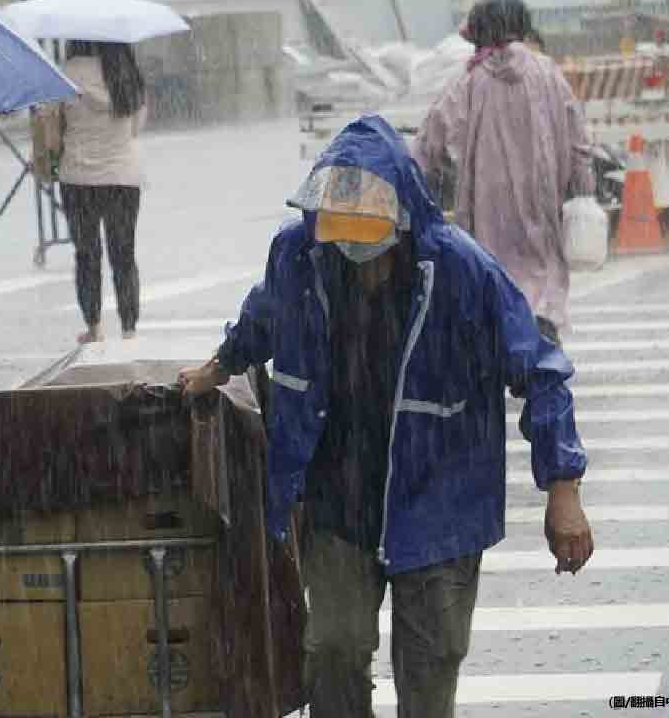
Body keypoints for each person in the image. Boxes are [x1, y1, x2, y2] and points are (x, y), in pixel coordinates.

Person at [178, 115, 593, 718]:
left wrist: (564, 490)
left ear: (402, 221)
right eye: (339, 234)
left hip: (440, 499)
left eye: (367, 236)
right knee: (333, 652)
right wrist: (215, 369)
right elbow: (262, 319)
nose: (354, 252)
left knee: (428, 672)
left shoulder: (459, 271)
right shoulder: (301, 255)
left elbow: (541, 370)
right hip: (338, 499)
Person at [414, 0, 593, 344]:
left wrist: (409, 181)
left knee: (493, 280)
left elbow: (429, 142)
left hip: (487, 210)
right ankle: (542, 345)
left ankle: (501, 347)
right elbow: (578, 140)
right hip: (542, 208)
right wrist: (584, 188)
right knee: (541, 283)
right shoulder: (549, 73)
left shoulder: (468, 84)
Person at [57, 40, 148, 343]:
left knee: (87, 254)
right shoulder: (126, 71)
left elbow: (49, 127)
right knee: (123, 254)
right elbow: (136, 128)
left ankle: (94, 327)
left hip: (78, 177)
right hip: (122, 176)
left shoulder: (66, 72)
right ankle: (129, 328)